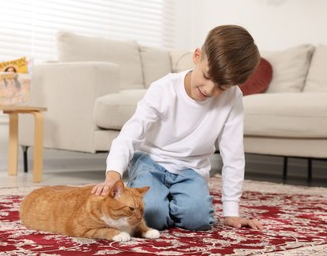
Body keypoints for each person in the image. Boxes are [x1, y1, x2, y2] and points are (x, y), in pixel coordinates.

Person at [91, 25, 263, 231]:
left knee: (198, 220)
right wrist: (113, 174)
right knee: (152, 216)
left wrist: (231, 211)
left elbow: (233, 154)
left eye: (222, 86)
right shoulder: (163, 89)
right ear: (197, 56)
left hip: (191, 171)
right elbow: (130, 135)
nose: (209, 90)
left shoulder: (233, 98)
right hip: (151, 164)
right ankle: (160, 199)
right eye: (207, 77)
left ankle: (174, 199)